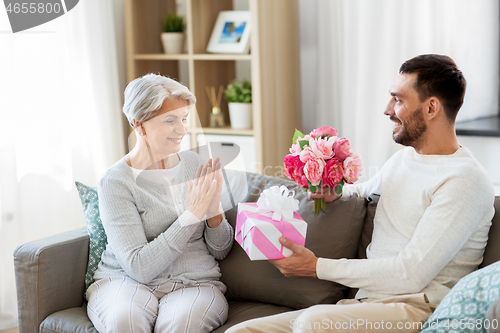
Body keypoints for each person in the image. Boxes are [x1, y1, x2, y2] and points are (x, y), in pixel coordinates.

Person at [227, 54, 495, 333]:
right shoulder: (403, 161)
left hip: (416, 309)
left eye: (399, 100)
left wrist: (315, 266)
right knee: (241, 331)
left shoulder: (465, 180)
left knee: (311, 324)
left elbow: (410, 274)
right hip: (364, 305)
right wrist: (333, 192)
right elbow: (363, 192)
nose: (387, 109)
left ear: (431, 108)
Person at [85, 73, 234, 333]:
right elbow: (139, 267)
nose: (182, 129)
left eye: (184, 119)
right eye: (170, 120)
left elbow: (221, 250)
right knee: (124, 323)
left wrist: (213, 212)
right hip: (125, 281)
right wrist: (191, 215)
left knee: (182, 326)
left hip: (194, 283)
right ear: (139, 124)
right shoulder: (116, 182)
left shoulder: (197, 165)